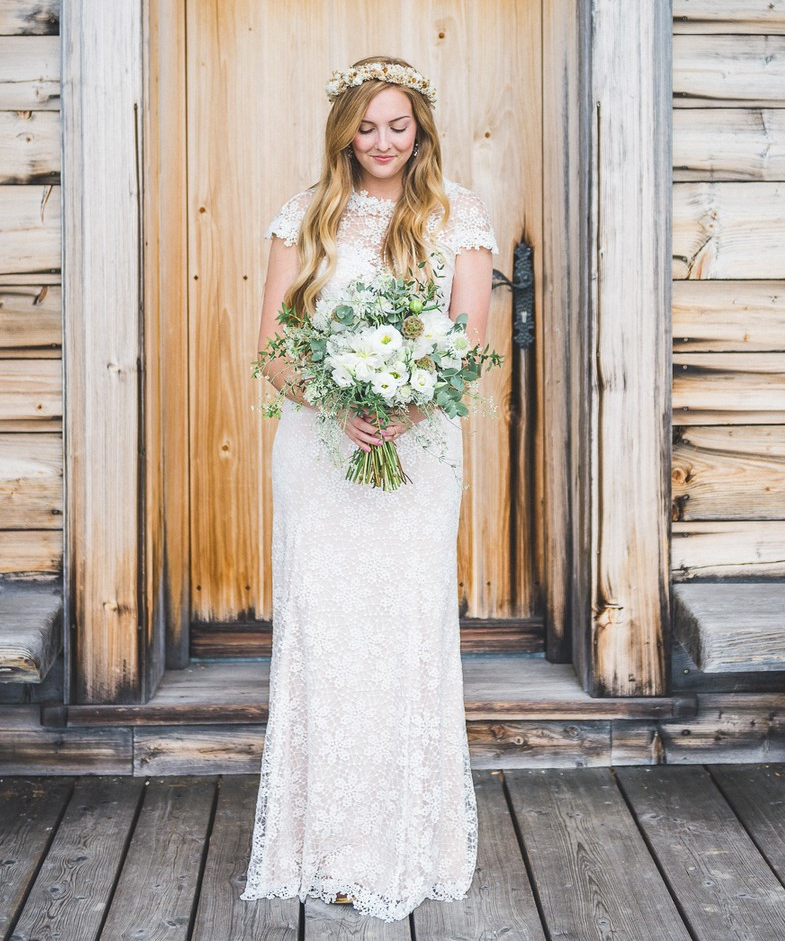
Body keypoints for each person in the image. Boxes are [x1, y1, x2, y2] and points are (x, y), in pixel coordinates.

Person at [241, 54, 498, 921]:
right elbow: (276, 347)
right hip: (320, 453)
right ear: (343, 130)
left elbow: (463, 341)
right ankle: (325, 846)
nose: (382, 142)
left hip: (419, 457)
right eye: (366, 125)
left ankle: (410, 843)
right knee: (330, 632)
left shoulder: (455, 214)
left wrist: (408, 406)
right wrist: (336, 398)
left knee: (404, 629)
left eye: (398, 125)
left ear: (419, 127)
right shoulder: (304, 216)